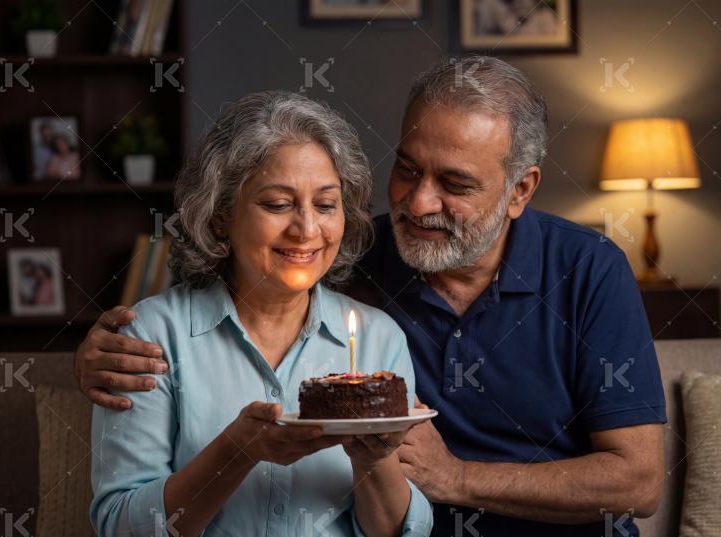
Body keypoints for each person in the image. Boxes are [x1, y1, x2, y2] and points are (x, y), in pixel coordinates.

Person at [76, 55, 666, 537]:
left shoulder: (588, 271)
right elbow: (231, 298)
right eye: (408, 170)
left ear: (520, 191)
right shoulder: (353, 255)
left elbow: (638, 484)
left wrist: (456, 478)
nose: (417, 203)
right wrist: (95, 352)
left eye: (455, 184)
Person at [88, 91, 432, 537]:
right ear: (219, 217)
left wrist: (375, 458)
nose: (307, 230)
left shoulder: (379, 338)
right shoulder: (151, 336)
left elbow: (394, 532)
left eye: (325, 205)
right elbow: (121, 527)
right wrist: (237, 451)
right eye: (277, 204)